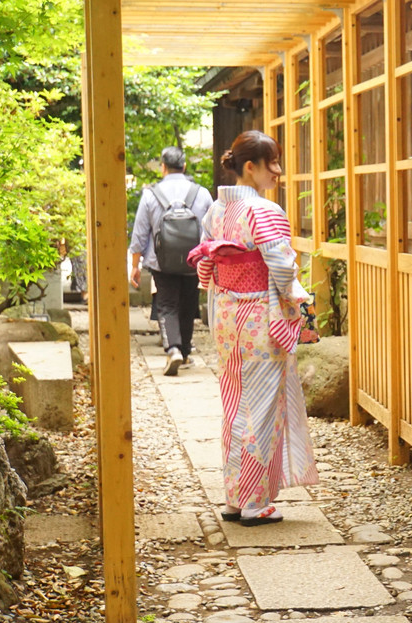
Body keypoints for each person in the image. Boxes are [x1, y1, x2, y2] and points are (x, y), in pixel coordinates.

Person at [190, 130, 318, 526]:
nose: (278, 172)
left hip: (227, 313)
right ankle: (253, 500)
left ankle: (234, 497)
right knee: (261, 405)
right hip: (260, 315)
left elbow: (206, 267)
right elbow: (281, 266)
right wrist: (296, 297)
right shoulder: (264, 211)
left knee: (234, 403)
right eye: (273, 164)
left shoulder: (216, 210)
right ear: (251, 167)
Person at [129, 146, 213, 375]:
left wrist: (135, 265)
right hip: (193, 260)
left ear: (163, 168)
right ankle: (185, 352)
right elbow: (212, 228)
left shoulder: (151, 194)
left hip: (161, 261)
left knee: (167, 305)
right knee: (188, 304)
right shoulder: (201, 193)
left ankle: (173, 349)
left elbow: (139, 234)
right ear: (184, 167)